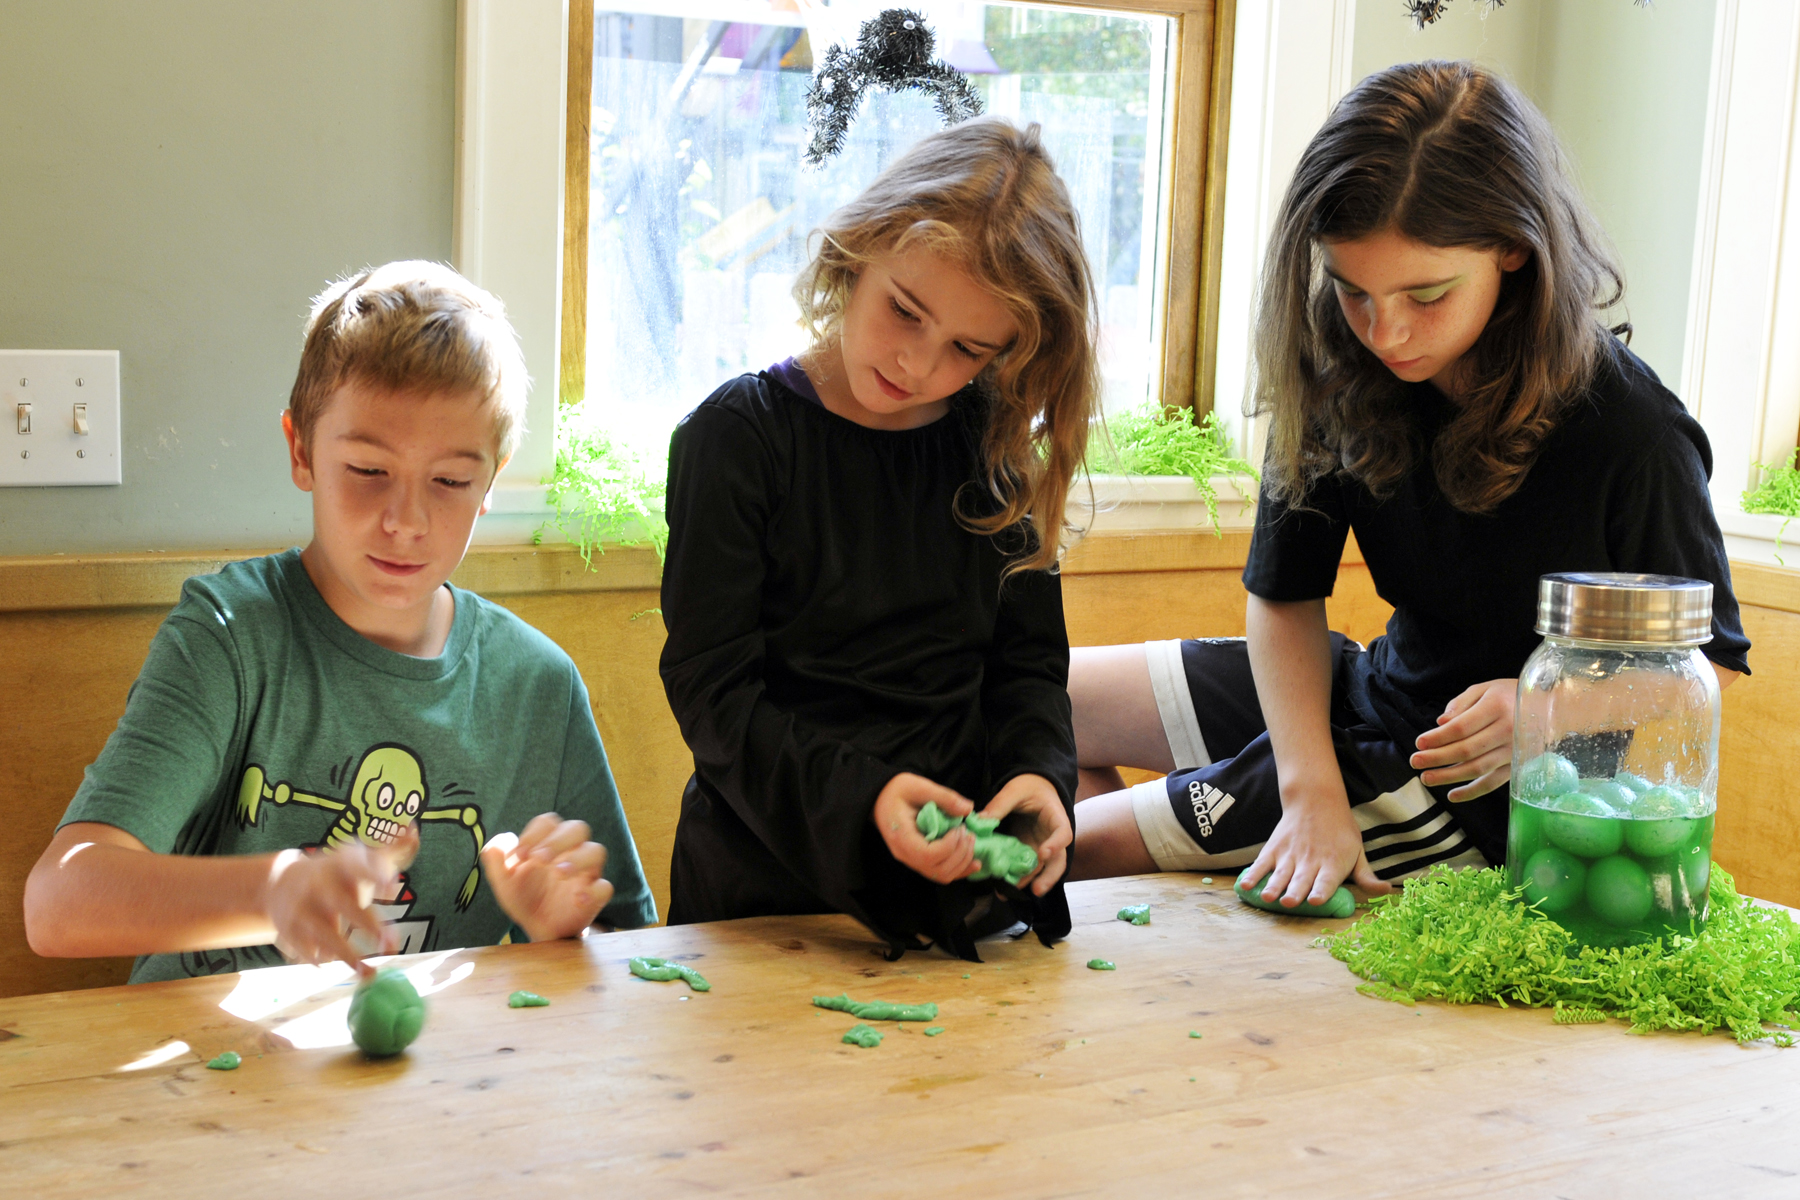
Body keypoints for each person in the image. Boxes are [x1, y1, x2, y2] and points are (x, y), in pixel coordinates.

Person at [1066, 61, 1750, 909]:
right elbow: (1284, 600)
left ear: (1514, 247)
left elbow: (1709, 659)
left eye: (1425, 295)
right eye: (1354, 292)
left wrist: (1552, 707)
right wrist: (1305, 789)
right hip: (1363, 686)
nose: (1384, 332)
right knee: (1029, 703)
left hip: (1456, 793)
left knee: (1065, 850)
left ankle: (1134, 850)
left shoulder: (1632, 430)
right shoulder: (1341, 367)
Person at [23, 261, 655, 981]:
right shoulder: (230, 635)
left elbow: (635, 955)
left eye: (449, 482)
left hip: (434, 1085)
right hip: (210, 1080)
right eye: (367, 470)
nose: (406, 522)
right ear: (301, 451)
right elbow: (58, 904)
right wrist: (272, 890)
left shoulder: (536, 686)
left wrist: (556, 935)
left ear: (490, 482)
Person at [658, 119, 1098, 960]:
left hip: (963, 909)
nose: (917, 364)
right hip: (763, 902)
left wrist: (1038, 778)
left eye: (968, 348)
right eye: (906, 309)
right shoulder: (737, 439)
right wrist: (870, 800)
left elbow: (1028, 670)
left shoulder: (997, 454)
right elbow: (714, 694)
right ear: (860, 249)